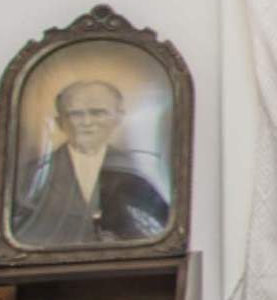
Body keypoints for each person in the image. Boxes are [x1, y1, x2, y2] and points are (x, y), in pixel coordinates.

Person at [12, 75, 172, 247]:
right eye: (76, 114)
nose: (87, 123)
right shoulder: (34, 175)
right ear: (60, 122)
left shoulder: (137, 171)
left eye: (98, 113)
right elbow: (22, 230)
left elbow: (156, 229)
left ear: (118, 118)